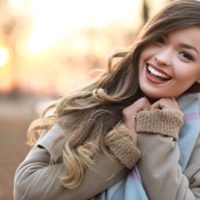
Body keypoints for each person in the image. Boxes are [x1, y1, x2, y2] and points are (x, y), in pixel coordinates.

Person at [14, 0, 200, 199]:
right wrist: (121, 146)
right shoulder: (92, 102)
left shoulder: (196, 132)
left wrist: (158, 136)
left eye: (185, 55)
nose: (163, 58)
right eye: (159, 40)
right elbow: (27, 191)